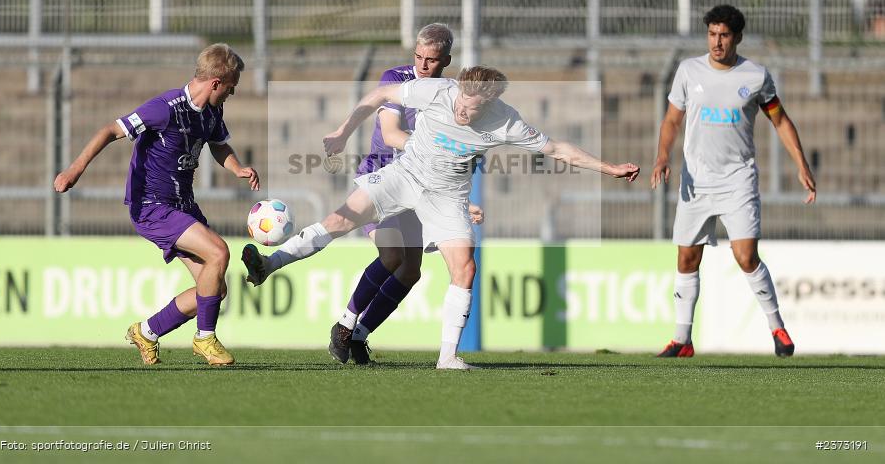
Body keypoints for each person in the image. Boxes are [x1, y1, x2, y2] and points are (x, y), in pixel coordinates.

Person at [243, 66, 639, 370]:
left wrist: (611, 168)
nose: (464, 109)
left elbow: (558, 149)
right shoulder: (437, 90)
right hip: (404, 174)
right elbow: (381, 92)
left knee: (464, 268)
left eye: (474, 106)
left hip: (448, 195)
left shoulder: (505, 119)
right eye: (463, 101)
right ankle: (268, 265)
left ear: (491, 102)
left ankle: (447, 357)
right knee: (340, 218)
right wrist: (345, 130)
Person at [53, 44, 259, 366]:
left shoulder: (212, 112)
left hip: (183, 206)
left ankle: (146, 332)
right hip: (152, 205)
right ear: (216, 82)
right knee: (219, 252)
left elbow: (219, 146)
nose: (232, 94)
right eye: (231, 87)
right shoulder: (165, 108)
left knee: (214, 291)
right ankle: (205, 339)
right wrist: (75, 168)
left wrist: (237, 167)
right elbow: (111, 130)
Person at [650, 4, 816, 358]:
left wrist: (800, 163)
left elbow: (781, 121)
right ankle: (682, 339)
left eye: (724, 35)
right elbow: (671, 121)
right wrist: (663, 155)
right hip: (696, 180)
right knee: (686, 259)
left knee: (745, 256)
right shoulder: (688, 71)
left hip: (738, 179)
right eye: (712, 34)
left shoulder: (755, 76)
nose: (717, 42)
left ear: (737, 37)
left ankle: (778, 329)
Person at [325, 23, 483, 366]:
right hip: (383, 179)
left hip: (422, 187)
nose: (423, 65)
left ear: (446, 60)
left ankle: (360, 334)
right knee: (392, 254)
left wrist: (461, 199)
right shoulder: (395, 79)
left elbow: (454, 155)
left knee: (410, 271)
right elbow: (390, 133)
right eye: (418, 56)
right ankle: (344, 323)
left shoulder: (450, 95)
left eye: (431, 59)